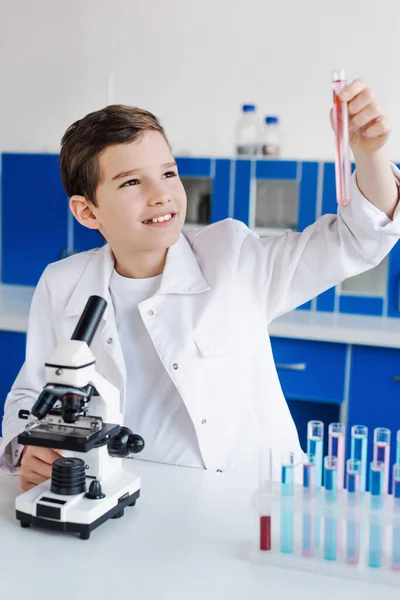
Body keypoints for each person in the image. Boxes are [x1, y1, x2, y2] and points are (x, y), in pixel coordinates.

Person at [1, 80, 399, 491]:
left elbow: (359, 239)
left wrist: (369, 154)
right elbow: (31, 392)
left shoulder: (232, 258)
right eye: (131, 182)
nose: (162, 195)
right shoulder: (63, 282)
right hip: (132, 497)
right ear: (87, 212)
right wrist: (27, 447)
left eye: (168, 173)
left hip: (249, 501)